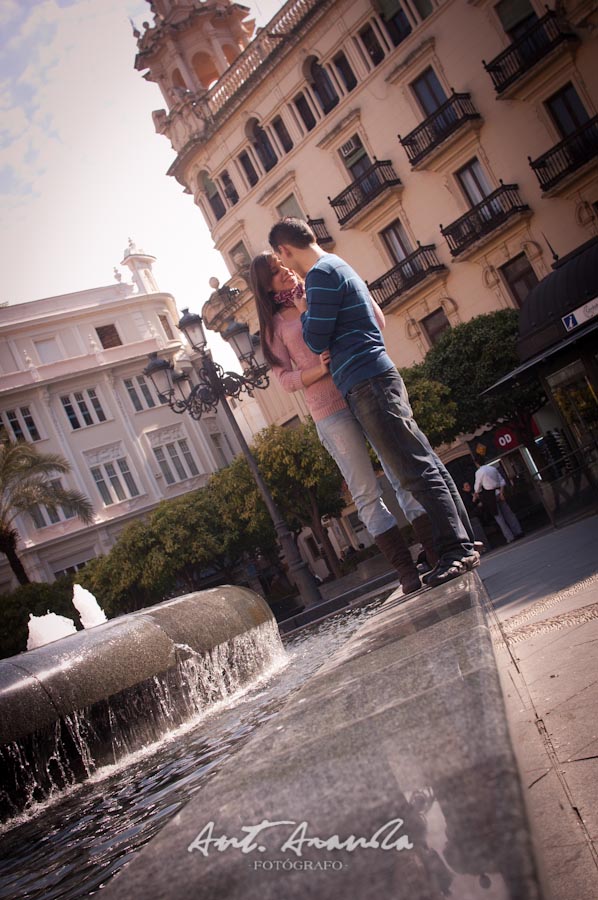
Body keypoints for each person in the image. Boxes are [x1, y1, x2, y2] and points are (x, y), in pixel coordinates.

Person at [267, 217, 478, 587]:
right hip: (376, 375)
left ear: (285, 250)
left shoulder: (319, 275)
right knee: (424, 460)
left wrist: (304, 308)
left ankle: (455, 550)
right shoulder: (339, 264)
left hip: (366, 381)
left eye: (279, 257)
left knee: (413, 469)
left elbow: (315, 340)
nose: (282, 265)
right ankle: (462, 541)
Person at [249, 251, 439, 595]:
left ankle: (435, 552)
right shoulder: (274, 328)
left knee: (400, 473)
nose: (287, 273)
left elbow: (371, 318)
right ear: (265, 288)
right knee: (365, 492)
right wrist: (317, 371)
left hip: (364, 386)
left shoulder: (319, 288)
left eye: (284, 265)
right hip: (328, 409)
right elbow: (285, 379)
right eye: (277, 274)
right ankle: (406, 571)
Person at [473, 457, 523, 544]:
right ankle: (518, 531)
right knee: (508, 513)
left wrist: (476, 493)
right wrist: (501, 493)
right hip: (498, 491)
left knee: (499, 518)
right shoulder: (493, 468)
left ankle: (510, 537)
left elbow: (477, 487)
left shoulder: (479, 472)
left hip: (490, 496)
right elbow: (502, 481)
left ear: (477, 464)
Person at [461, 481, 489, 551]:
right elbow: (469, 505)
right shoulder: (465, 496)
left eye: (468, 485)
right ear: (463, 489)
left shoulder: (471, 493)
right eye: (466, 486)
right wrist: (474, 499)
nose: (468, 487)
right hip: (472, 515)